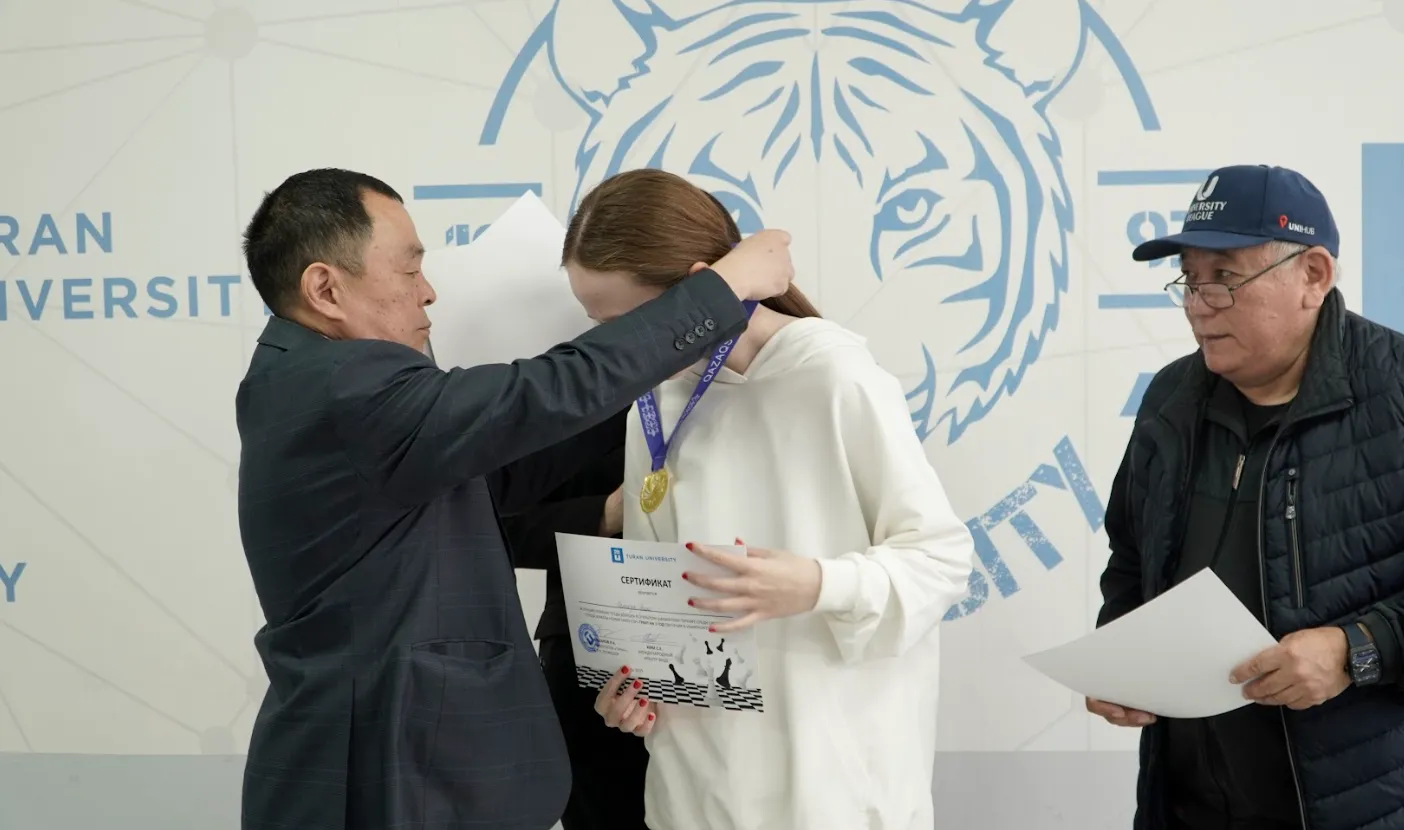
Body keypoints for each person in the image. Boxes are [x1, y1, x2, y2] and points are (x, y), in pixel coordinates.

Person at [233, 167, 795, 830]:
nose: (429, 291)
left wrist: (662, 402)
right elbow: (543, 394)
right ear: (325, 289)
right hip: (387, 775)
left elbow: (498, 470)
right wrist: (723, 289)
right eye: (409, 269)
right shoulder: (345, 386)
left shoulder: (308, 382)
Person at [562, 168, 975, 830]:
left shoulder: (833, 375)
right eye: (597, 326)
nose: (615, 350)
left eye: (626, 322)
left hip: (833, 783)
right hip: (694, 787)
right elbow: (656, 598)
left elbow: (941, 560)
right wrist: (637, 688)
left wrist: (816, 584)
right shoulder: (654, 400)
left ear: (703, 287)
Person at [1089, 164, 1404, 830]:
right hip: (1189, 807)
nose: (1198, 304)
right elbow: (1131, 562)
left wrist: (1356, 650)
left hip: (1376, 807)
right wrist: (1122, 656)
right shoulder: (1169, 401)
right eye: (1189, 279)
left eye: (1225, 277)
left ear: (1313, 275)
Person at [495, 419, 652, 830]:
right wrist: (606, 514)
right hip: (592, 651)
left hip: (729, 650)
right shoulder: (583, 393)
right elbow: (495, 522)